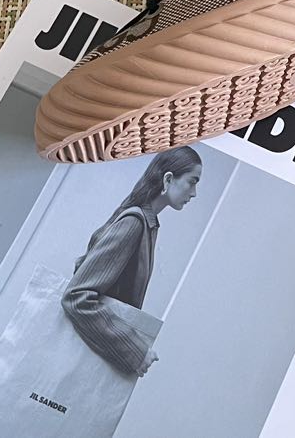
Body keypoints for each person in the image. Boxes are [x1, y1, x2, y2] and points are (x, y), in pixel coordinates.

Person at [61, 146, 202, 376]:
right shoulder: (134, 223)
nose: (194, 193)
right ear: (168, 179)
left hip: (95, 358)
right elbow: (76, 296)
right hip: (91, 360)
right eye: (192, 182)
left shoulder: (146, 224)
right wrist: (135, 351)